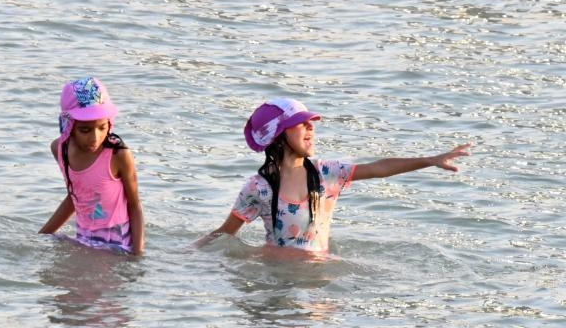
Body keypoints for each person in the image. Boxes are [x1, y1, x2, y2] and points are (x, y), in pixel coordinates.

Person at [195, 98, 471, 252]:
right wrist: (183, 255)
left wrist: (430, 160)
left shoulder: (327, 173)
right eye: (300, 124)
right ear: (278, 136)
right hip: (274, 277)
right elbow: (225, 234)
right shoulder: (259, 187)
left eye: (310, 124)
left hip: (316, 275)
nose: (310, 128)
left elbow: (379, 168)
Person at [39, 77, 145, 255]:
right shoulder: (59, 149)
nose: (95, 138)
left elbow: (135, 206)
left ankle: (206, 241)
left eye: (102, 127)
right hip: (84, 240)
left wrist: (138, 255)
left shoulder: (118, 155)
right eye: (85, 130)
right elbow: (76, 197)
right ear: (69, 125)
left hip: (117, 246)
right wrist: (43, 235)